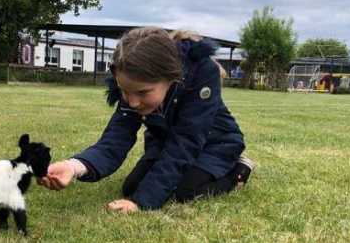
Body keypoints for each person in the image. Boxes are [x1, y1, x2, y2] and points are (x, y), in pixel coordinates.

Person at [38, 27, 255, 212]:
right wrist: (74, 167)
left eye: (143, 92)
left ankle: (239, 170)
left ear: (171, 79)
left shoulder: (200, 75)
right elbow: (116, 138)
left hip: (216, 143)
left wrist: (143, 202)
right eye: (124, 91)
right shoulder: (133, 83)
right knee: (131, 187)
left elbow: (186, 142)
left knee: (185, 192)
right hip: (165, 142)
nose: (132, 102)